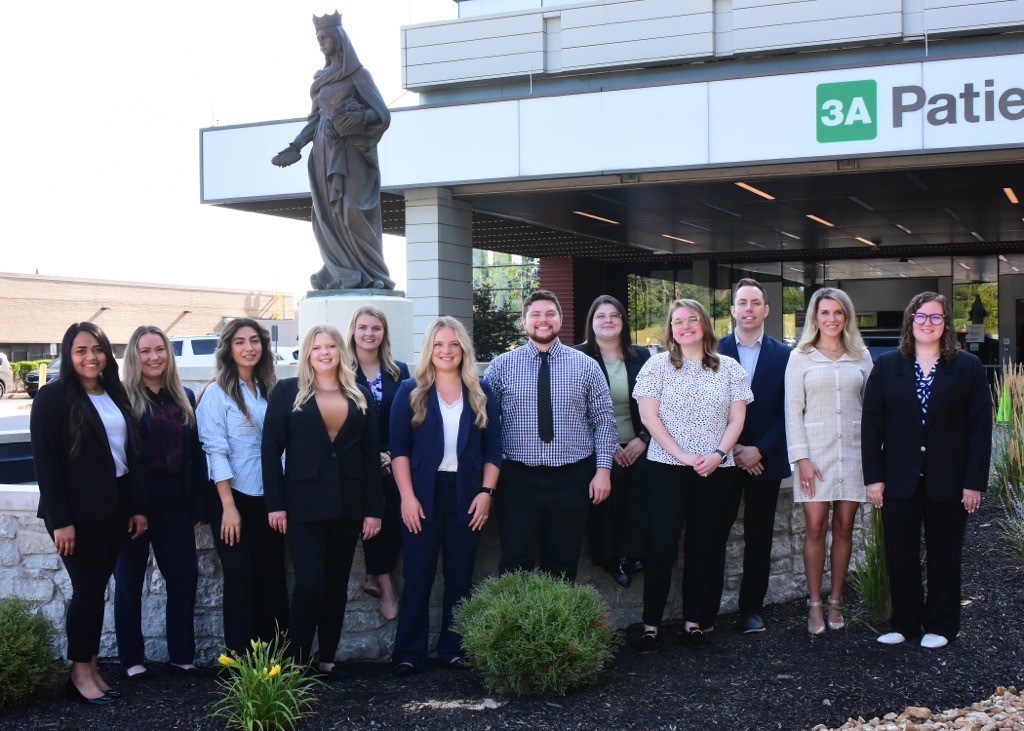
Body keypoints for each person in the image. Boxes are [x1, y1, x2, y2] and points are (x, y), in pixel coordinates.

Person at [862, 292, 991, 648]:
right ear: (910, 321)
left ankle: (941, 626)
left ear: (946, 324)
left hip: (949, 480)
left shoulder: (966, 367)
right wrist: (874, 478)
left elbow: (981, 429)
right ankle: (904, 624)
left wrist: (973, 482)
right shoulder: (887, 365)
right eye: (921, 317)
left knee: (944, 555)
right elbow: (871, 426)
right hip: (898, 479)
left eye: (936, 317)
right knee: (900, 554)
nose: (928, 323)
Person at [30, 323, 147, 704]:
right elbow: (46, 464)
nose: (90, 357)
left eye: (96, 349)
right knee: (87, 592)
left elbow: (126, 458)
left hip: (112, 511)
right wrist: (61, 520)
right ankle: (79, 675)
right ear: (68, 355)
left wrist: (134, 508)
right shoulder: (53, 398)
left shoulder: (114, 393)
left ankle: (92, 668)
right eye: (80, 350)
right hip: (74, 516)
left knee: (96, 592)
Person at [262, 325, 382, 678]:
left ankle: (327, 657)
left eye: (331, 346)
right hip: (303, 505)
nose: (325, 353)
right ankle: (298, 658)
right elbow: (270, 451)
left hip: (348, 504)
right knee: (310, 582)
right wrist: (275, 503)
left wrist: (374, 510)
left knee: (336, 585)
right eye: (317, 348)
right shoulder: (287, 392)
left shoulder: (359, 394)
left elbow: (370, 454)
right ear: (307, 353)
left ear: (341, 351)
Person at [633, 299, 752, 651]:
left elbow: (737, 419)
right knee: (662, 546)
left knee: (704, 547)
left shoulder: (729, 368)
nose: (686, 326)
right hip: (666, 469)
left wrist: (718, 454)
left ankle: (694, 622)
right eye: (678, 321)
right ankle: (651, 623)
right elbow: (649, 419)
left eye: (692, 319)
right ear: (670, 329)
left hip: (716, 471)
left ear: (704, 325)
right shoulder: (656, 366)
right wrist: (683, 455)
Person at [389, 317, 502, 675]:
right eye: (439, 344)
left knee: (460, 576)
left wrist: (486, 493)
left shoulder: (482, 392)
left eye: (453, 344)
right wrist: (407, 497)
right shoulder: (411, 391)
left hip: (467, 494)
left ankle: (453, 648)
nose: (446, 351)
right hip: (422, 494)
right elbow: (399, 451)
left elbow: (494, 451)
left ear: (463, 349)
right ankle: (409, 652)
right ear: (429, 349)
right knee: (418, 575)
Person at [484, 289, 617, 581]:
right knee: (515, 562)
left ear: (561, 318)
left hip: (573, 478)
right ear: (524, 321)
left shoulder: (586, 366)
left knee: (563, 563)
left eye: (549, 314)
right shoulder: (501, 367)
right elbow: (485, 425)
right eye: (535, 315)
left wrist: (603, 471)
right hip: (518, 479)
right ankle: (515, 627)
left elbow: (604, 421)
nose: (543, 321)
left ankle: (555, 628)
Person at [271, 11, 394, 290]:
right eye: (318, 38)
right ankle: (338, 270)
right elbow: (314, 118)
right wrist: (296, 146)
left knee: (352, 208)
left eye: (325, 37)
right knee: (327, 214)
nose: (321, 43)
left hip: (351, 151)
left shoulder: (359, 75)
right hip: (322, 153)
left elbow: (382, 114)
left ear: (339, 40)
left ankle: (372, 272)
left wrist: (360, 118)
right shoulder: (321, 78)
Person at [114, 326, 207, 679]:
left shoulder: (184, 396)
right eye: (145, 351)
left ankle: (182, 656)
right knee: (129, 582)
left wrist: (198, 506)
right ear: (134, 357)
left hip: (175, 503)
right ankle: (131, 660)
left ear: (168, 354)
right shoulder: (122, 398)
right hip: (133, 504)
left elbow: (196, 455)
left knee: (183, 579)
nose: (154, 357)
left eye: (160, 349)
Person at [197, 318, 289, 655]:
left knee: (272, 577)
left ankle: (274, 658)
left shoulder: (269, 390)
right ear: (228, 348)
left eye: (254, 340)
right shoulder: (216, 393)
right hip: (231, 498)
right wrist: (228, 507)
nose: (248, 348)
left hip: (269, 497)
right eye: (239, 342)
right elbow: (215, 451)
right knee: (240, 578)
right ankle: (239, 661)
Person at [784, 288, 872, 637]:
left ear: (847, 317)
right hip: (815, 455)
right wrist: (801, 458)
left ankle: (836, 601)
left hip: (853, 453)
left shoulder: (861, 356)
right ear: (814, 317)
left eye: (838, 312)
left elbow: (873, 409)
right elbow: (793, 410)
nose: (832, 319)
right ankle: (814, 604)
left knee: (845, 527)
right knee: (816, 526)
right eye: (825, 313)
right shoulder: (800, 357)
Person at [717, 279, 792, 634]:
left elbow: (789, 410)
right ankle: (704, 611)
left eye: (755, 303)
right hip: (721, 460)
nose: (748, 308)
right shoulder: (711, 352)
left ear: (766, 310)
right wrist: (733, 449)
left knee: (759, 537)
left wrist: (759, 449)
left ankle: (751, 610)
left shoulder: (784, 355)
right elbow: (704, 409)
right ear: (732, 310)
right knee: (713, 533)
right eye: (742, 302)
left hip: (766, 458)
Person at [574, 295, 651, 589]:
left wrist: (643, 439)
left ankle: (634, 554)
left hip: (638, 441)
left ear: (623, 322)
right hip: (596, 444)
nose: (608, 320)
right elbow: (574, 411)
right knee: (611, 477)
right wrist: (607, 447)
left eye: (614, 315)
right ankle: (609, 557)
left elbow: (659, 403)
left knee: (645, 474)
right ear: (591, 323)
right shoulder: (578, 358)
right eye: (600, 315)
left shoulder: (642, 357)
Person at [348, 305, 410, 621]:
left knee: (397, 499)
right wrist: (370, 456)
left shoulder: (400, 371)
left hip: (393, 456)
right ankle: (384, 581)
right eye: (363, 327)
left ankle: (376, 574)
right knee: (370, 501)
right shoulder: (341, 370)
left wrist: (390, 454)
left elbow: (409, 420)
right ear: (353, 332)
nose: (369, 333)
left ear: (384, 333)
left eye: (376, 327)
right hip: (354, 459)